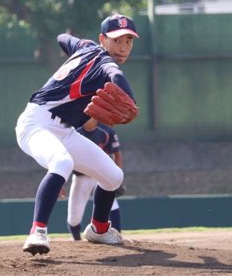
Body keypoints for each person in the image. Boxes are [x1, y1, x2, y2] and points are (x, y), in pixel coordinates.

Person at [15, 14, 139, 255]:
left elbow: (63, 38)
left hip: (65, 131)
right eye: (117, 40)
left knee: (114, 176)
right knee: (62, 162)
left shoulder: (85, 47)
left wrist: (77, 49)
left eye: (128, 41)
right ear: (103, 39)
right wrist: (131, 101)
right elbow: (117, 76)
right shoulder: (106, 63)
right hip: (36, 123)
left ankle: (99, 229)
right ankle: (37, 232)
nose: (123, 47)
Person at [66, 121, 124, 241]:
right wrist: (60, 182)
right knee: (74, 215)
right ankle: (77, 241)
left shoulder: (106, 130)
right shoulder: (73, 131)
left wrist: (117, 178)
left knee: (112, 205)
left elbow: (117, 154)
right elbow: (63, 157)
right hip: (81, 177)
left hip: (101, 175)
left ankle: (116, 236)